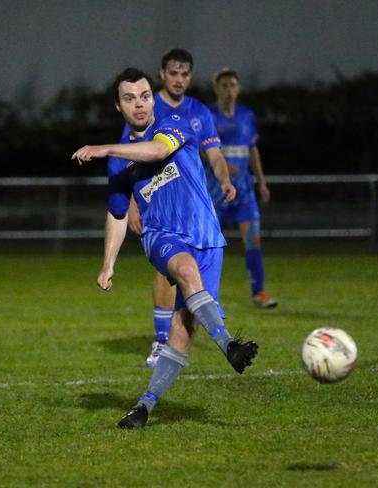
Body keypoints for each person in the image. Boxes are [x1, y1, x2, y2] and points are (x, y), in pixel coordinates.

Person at [72, 67, 259, 428]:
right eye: (129, 98)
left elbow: (158, 152)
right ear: (118, 105)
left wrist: (106, 146)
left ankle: (144, 407)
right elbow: (116, 214)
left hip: (207, 237)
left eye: (144, 96)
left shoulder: (175, 123)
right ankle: (229, 345)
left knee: (183, 331)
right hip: (161, 236)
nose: (139, 104)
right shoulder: (118, 160)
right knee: (185, 270)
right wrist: (108, 263)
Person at [121, 48, 232, 369]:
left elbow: (214, 154)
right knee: (165, 270)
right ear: (162, 75)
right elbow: (128, 160)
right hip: (158, 203)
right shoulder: (144, 105)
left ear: (191, 77)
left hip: (193, 207)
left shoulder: (199, 112)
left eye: (184, 75)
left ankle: (184, 336)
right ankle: (160, 341)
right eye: (173, 74)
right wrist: (131, 206)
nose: (179, 80)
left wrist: (224, 179)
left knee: (190, 275)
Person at [207, 68, 277, 308]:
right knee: (210, 244)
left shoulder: (247, 115)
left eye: (233, 85)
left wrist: (262, 182)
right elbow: (199, 150)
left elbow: (252, 149)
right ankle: (204, 294)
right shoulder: (207, 116)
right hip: (216, 192)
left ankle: (259, 293)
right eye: (224, 85)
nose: (229, 90)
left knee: (253, 240)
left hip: (244, 191)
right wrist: (222, 165)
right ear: (216, 89)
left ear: (238, 89)